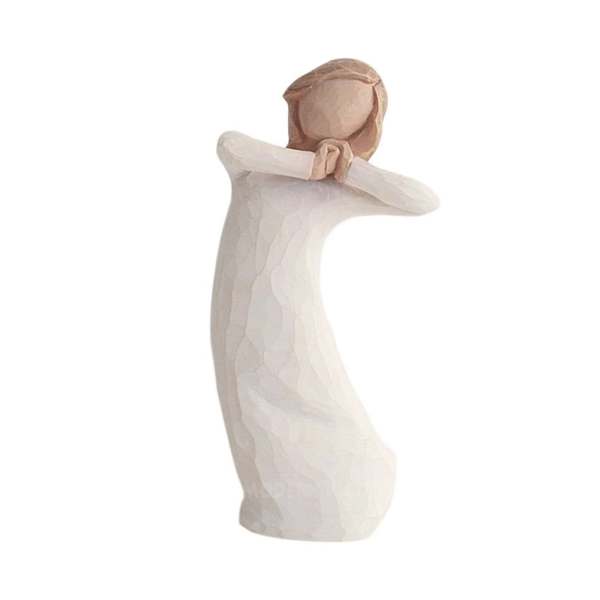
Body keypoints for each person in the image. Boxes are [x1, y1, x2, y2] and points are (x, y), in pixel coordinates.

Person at [212, 59, 438, 541]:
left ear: (367, 122)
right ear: (301, 100)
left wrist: (350, 169)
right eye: (327, 97)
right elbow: (229, 143)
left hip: (293, 313)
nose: (335, 112)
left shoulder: (336, 190)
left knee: (311, 392)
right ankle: (272, 504)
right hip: (239, 313)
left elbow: (422, 200)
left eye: (353, 107)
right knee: (250, 404)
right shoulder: (255, 171)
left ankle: (348, 490)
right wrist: (309, 165)